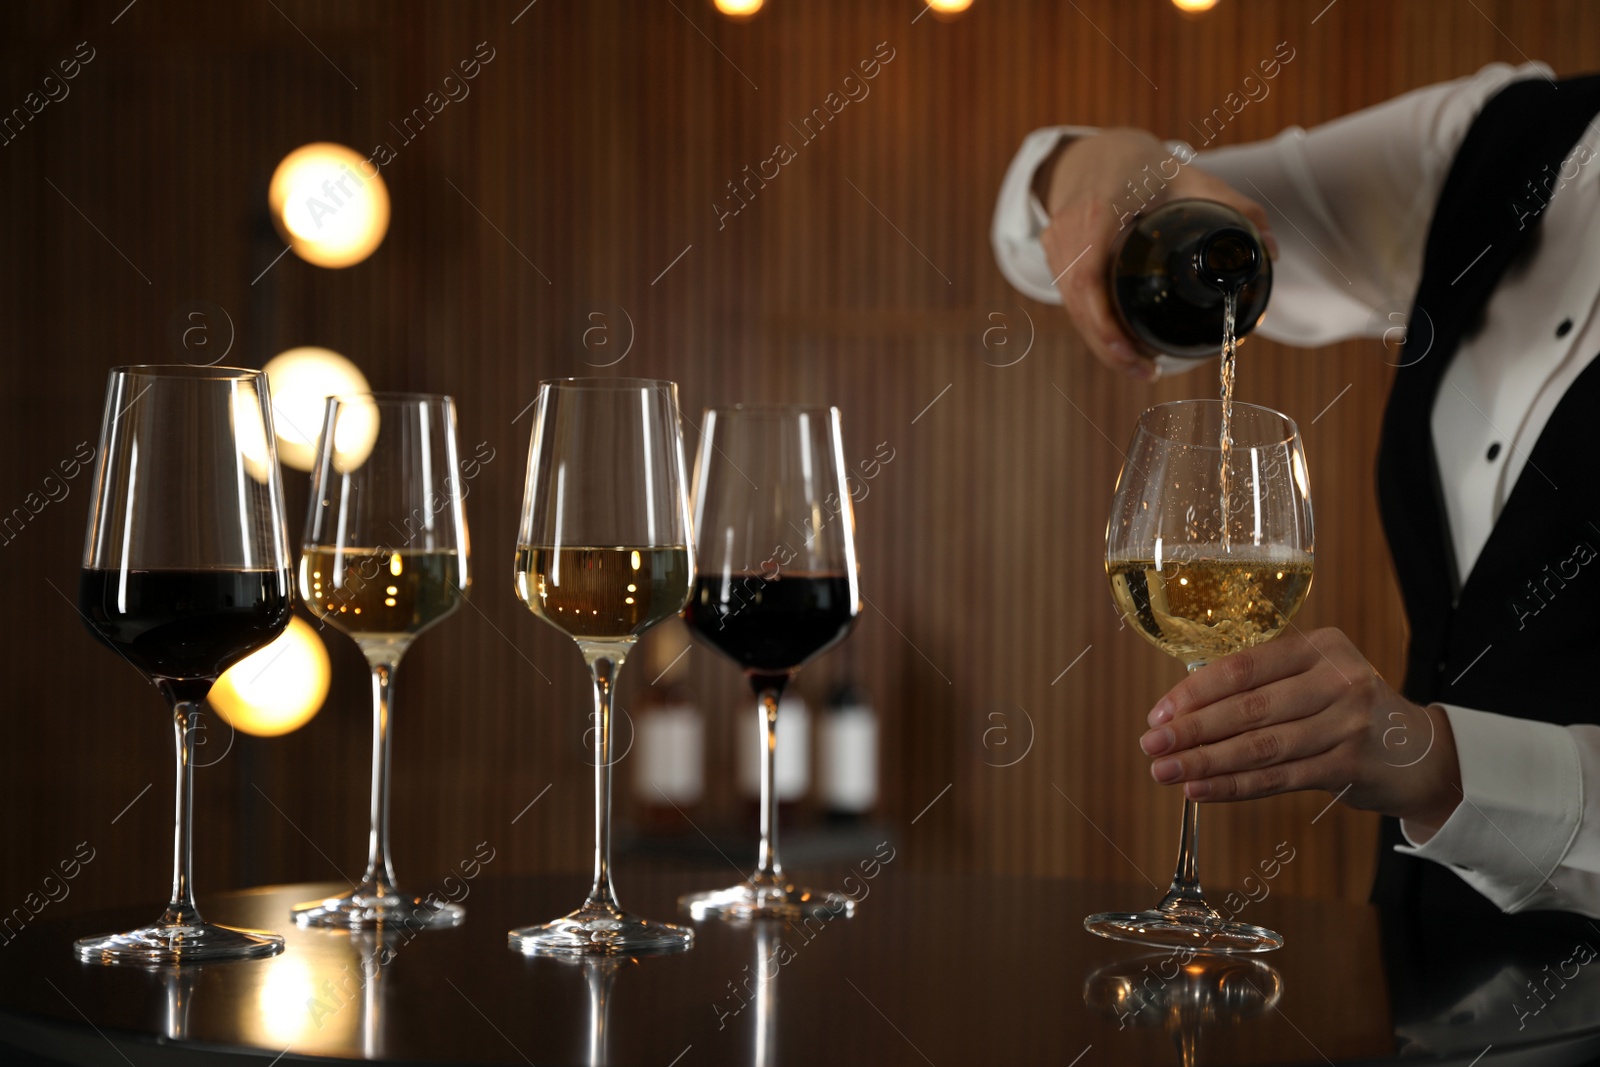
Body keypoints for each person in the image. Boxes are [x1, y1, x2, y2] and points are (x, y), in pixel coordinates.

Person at [993, 60, 1600, 920]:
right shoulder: (1506, 137)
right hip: (1420, 963)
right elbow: (1062, 223)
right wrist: (1107, 172)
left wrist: (1435, 761)